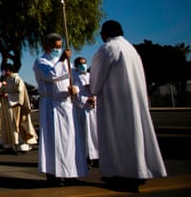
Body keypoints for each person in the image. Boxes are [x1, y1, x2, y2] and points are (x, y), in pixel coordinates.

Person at [90, 20, 167, 192]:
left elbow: (96, 78)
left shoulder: (108, 49)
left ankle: (123, 174)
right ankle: (138, 170)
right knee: (135, 135)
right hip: (133, 99)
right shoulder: (131, 49)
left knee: (118, 138)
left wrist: (92, 88)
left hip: (115, 102)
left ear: (105, 33)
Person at [33, 33, 88, 186]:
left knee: (70, 141)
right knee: (54, 141)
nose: (58, 50)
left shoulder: (67, 64)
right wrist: (62, 59)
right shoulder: (40, 61)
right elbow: (51, 75)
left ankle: (71, 173)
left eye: (60, 47)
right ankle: (54, 174)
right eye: (55, 47)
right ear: (47, 47)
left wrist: (74, 89)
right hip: (52, 106)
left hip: (67, 105)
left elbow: (74, 80)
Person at [0, 64, 37, 154]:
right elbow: (1, 91)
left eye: (4, 70)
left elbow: (20, 94)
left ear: (9, 70)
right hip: (7, 106)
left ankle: (20, 145)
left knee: (16, 125)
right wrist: (0, 92)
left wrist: (9, 96)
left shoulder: (17, 79)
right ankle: (10, 145)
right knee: (8, 125)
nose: (3, 72)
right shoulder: (6, 80)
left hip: (15, 106)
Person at [72, 56, 99, 168]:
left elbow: (97, 89)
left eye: (84, 63)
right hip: (82, 109)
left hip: (93, 108)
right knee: (84, 133)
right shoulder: (73, 77)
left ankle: (97, 156)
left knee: (95, 132)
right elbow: (74, 93)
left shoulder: (91, 76)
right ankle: (86, 157)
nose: (83, 65)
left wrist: (94, 98)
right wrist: (85, 99)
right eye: (80, 63)